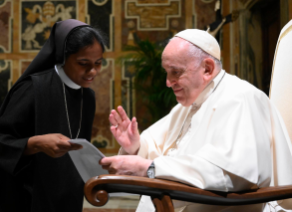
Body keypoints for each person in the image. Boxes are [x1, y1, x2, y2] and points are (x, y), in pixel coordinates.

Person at [100, 29, 292, 211]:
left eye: (175, 72)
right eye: (167, 72)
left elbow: (232, 173)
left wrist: (149, 168)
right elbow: (158, 149)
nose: (168, 82)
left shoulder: (241, 98)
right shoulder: (187, 106)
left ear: (207, 68)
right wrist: (136, 147)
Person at [0, 19, 105, 212]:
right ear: (63, 57)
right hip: (16, 197)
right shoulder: (33, 88)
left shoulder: (88, 97)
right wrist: (35, 143)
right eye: (83, 63)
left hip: (62, 198)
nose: (92, 71)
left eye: (98, 63)